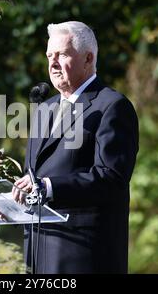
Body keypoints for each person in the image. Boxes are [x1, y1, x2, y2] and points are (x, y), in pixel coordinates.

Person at [11, 21, 139, 274]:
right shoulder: (44, 108)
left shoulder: (112, 106)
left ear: (88, 58)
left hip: (84, 257)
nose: (53, 63)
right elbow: (34, 176)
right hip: (37, 255)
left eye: (62, 54)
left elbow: (111, 178)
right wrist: (13, 202)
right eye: (49, 56)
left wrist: (50, 187)